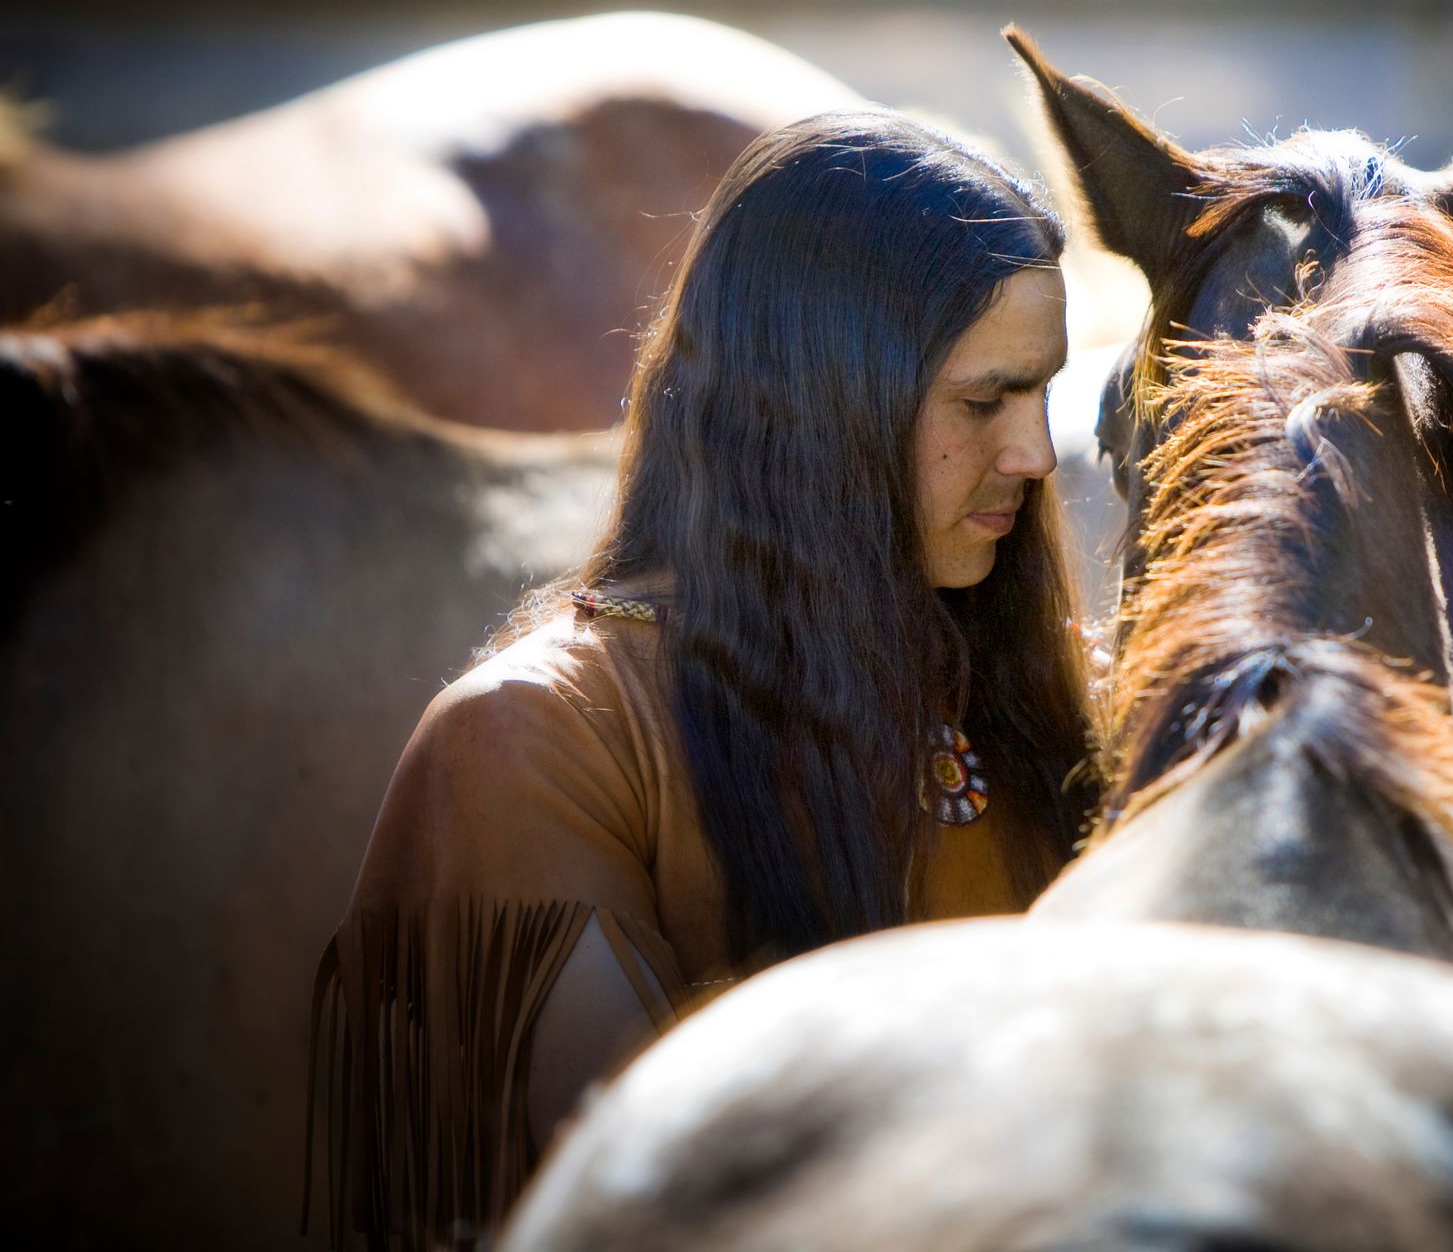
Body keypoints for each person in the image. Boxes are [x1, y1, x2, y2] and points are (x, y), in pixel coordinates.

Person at [306, 109, 1099, 1247]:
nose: (1032, 453)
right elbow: (655, 1196)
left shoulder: (1036, 697)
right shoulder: (536, 743)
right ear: (815, 400)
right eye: (984, 402)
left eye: (1041, 395)